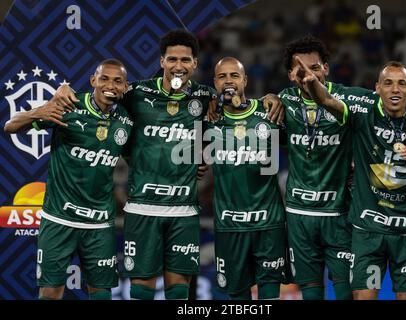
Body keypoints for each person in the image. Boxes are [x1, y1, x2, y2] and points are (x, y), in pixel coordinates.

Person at [51, 29, 284, 300]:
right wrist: (66, 89)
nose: (178, 66)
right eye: (172, 59)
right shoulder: (136, 93)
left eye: (185, 60)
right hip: (142, 207)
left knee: (178, 291)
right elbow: (102, 94)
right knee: (141, 290)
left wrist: (271, 97)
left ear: (195, 64)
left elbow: (238, 108)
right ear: (162, 61)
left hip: (183, 211)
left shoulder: (206, 97)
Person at [279, 36, 406, 300]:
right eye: (301, 69)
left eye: (315, 68)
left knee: (347, 294)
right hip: (299, 214)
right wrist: (270, 96)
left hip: (341, 213)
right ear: (290, 74)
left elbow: (391, 96)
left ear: (326, 68)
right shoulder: (283, 102)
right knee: (310, 294)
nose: (309, 75)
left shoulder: (351, 99)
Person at [4, 59, 132, 300]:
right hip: (59, 219)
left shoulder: (127, 120)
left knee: (102, 294)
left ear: (125, 87)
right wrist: (39, 111)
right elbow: (10, 126)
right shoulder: (68, 107)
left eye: (117, 81)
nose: (110, 85)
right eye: (104, 78)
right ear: (93, 80)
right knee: (51, 293)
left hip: (99, 223)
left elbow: (136, 157)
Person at [206, 57, 287, 299]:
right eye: (222, 76)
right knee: (238, 296)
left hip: (269, 223)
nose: (228, 80)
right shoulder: (208, 121)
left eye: (234, 75)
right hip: (230, 225)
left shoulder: (269, 113)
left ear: (245, 80)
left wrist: (274, 96)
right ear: (214, 83)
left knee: (270, 295)